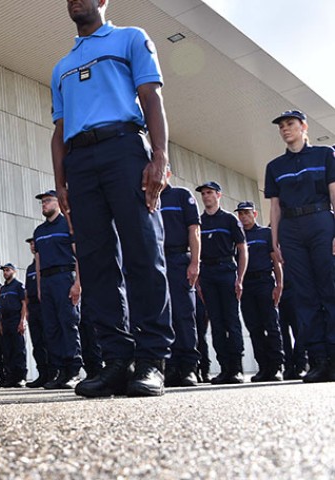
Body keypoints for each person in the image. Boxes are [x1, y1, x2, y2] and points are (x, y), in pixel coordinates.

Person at [50, 0, 174, 397]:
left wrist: (159, 156)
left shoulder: (130, 38)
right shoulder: (61, 65)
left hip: (124, 149)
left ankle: (152, 359)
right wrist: (61, 182)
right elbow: (60, 128)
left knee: (142, 251)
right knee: (95, 260)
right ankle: (116, 359)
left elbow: (151, 97)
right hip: (80, 161)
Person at [265, 110, 335, 383]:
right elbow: (274, 206)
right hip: (291, 230)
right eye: (281, 126)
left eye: (290, 124)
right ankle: (318, 359)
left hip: (320, 223)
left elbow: (333, 192)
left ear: (304, 126)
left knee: (329, 288)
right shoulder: (275, 167)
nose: (285, 129)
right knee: (304, 294)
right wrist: (275, 241)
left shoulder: (324, 155)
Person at [196, 181, 247, 384]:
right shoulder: (199, 222)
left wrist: (240, 278)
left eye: (209, 193)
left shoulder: (229, 220)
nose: (206, 196)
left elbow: (243, 250)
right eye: (203, 194)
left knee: (231, 321)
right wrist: (199, 281)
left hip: (226, 271)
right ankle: (224, 367)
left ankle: (236, 368)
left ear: (218, 195)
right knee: (216, 323)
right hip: (207, 273)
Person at [33, 190, 82, 390]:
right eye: (42, 202)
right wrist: (38, 288)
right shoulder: (39, 231)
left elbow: (79, 255)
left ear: (58, 203)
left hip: (65, 278)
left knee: (68, 324)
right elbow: (38, 261)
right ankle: (59, 371)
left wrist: (78, 282)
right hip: (46, 281)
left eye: (48, 201)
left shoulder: (68, 225)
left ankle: (73, 371)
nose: (44, 204)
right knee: (51, 328)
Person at [159, 164, 201, 387]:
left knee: (184, 313)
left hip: (178, 259)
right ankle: (171, 365)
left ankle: (188, 367)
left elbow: (194, 230)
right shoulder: (149, 199)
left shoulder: (181, 196)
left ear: (168, 173)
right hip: (157, 262)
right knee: (163, 315)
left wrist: (195, 262)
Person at [236, 201, 285, 382]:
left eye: (247, 213)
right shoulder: (238, 236)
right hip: (247, 284)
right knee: (254, 327)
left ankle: (276, 366)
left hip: (264, 282)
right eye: (240, 214)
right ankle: (263, 367)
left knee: (271, 326)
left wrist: (279, 284)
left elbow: (276, 260)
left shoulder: (265, 233)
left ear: (254, 214)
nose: (243, 217)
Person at [23, 238, 49, 388]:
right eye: (31, 244)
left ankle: (54, 372)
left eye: (34, 243)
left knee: (48, 339)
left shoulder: (45, 264)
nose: (32, 246)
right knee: (37, 342)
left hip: (43, 305)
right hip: (32, 307)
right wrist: (26, 311)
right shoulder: (30, 268)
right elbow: (26, 292)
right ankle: (42, 373)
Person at [0, 264, 27, 387]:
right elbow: (1, 308)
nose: (5, 272)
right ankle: (10, 377)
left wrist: (22, 320)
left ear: (14, 271)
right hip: (5, 321)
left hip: (16, 319)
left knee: (18, 349)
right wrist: (0, 323)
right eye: (4, 270)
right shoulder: (3, 289)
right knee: (7, 350)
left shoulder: (18, 286)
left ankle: (20, 377)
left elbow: (24, 303)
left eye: (8, 270)